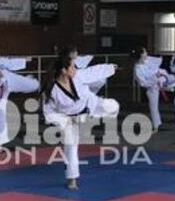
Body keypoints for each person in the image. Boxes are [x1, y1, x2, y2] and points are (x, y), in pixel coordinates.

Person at [42, 55, 120, 190]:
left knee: (113, 106)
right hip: (69, 119)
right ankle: (72, 179)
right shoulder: (52, 90)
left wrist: (110, 68)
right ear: (64, 71)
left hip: (90, 106)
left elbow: (92, 71)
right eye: (72, 66)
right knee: (71, 148)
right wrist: (65, 121)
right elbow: (48, 113)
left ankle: (95, 118)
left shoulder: (77, 76)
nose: (75, 69)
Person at [0, 45, 39, 144]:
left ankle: (34, 83)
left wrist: (25, 60)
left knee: (32, 84)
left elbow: (10, 63)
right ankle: (0, 141)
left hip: (8, 82)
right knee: (0, 115)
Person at [131, 47, 175, 132]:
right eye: (145, 52)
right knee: (153, 106)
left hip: (163, 78)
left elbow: (159, 61)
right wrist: (154, 80)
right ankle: (156, 125)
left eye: (146, 52)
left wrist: (158, 75)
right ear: (141, 55)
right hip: (152, 87)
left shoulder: (148, 59)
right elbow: (142, 83)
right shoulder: (137, 69)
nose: (146, 53)